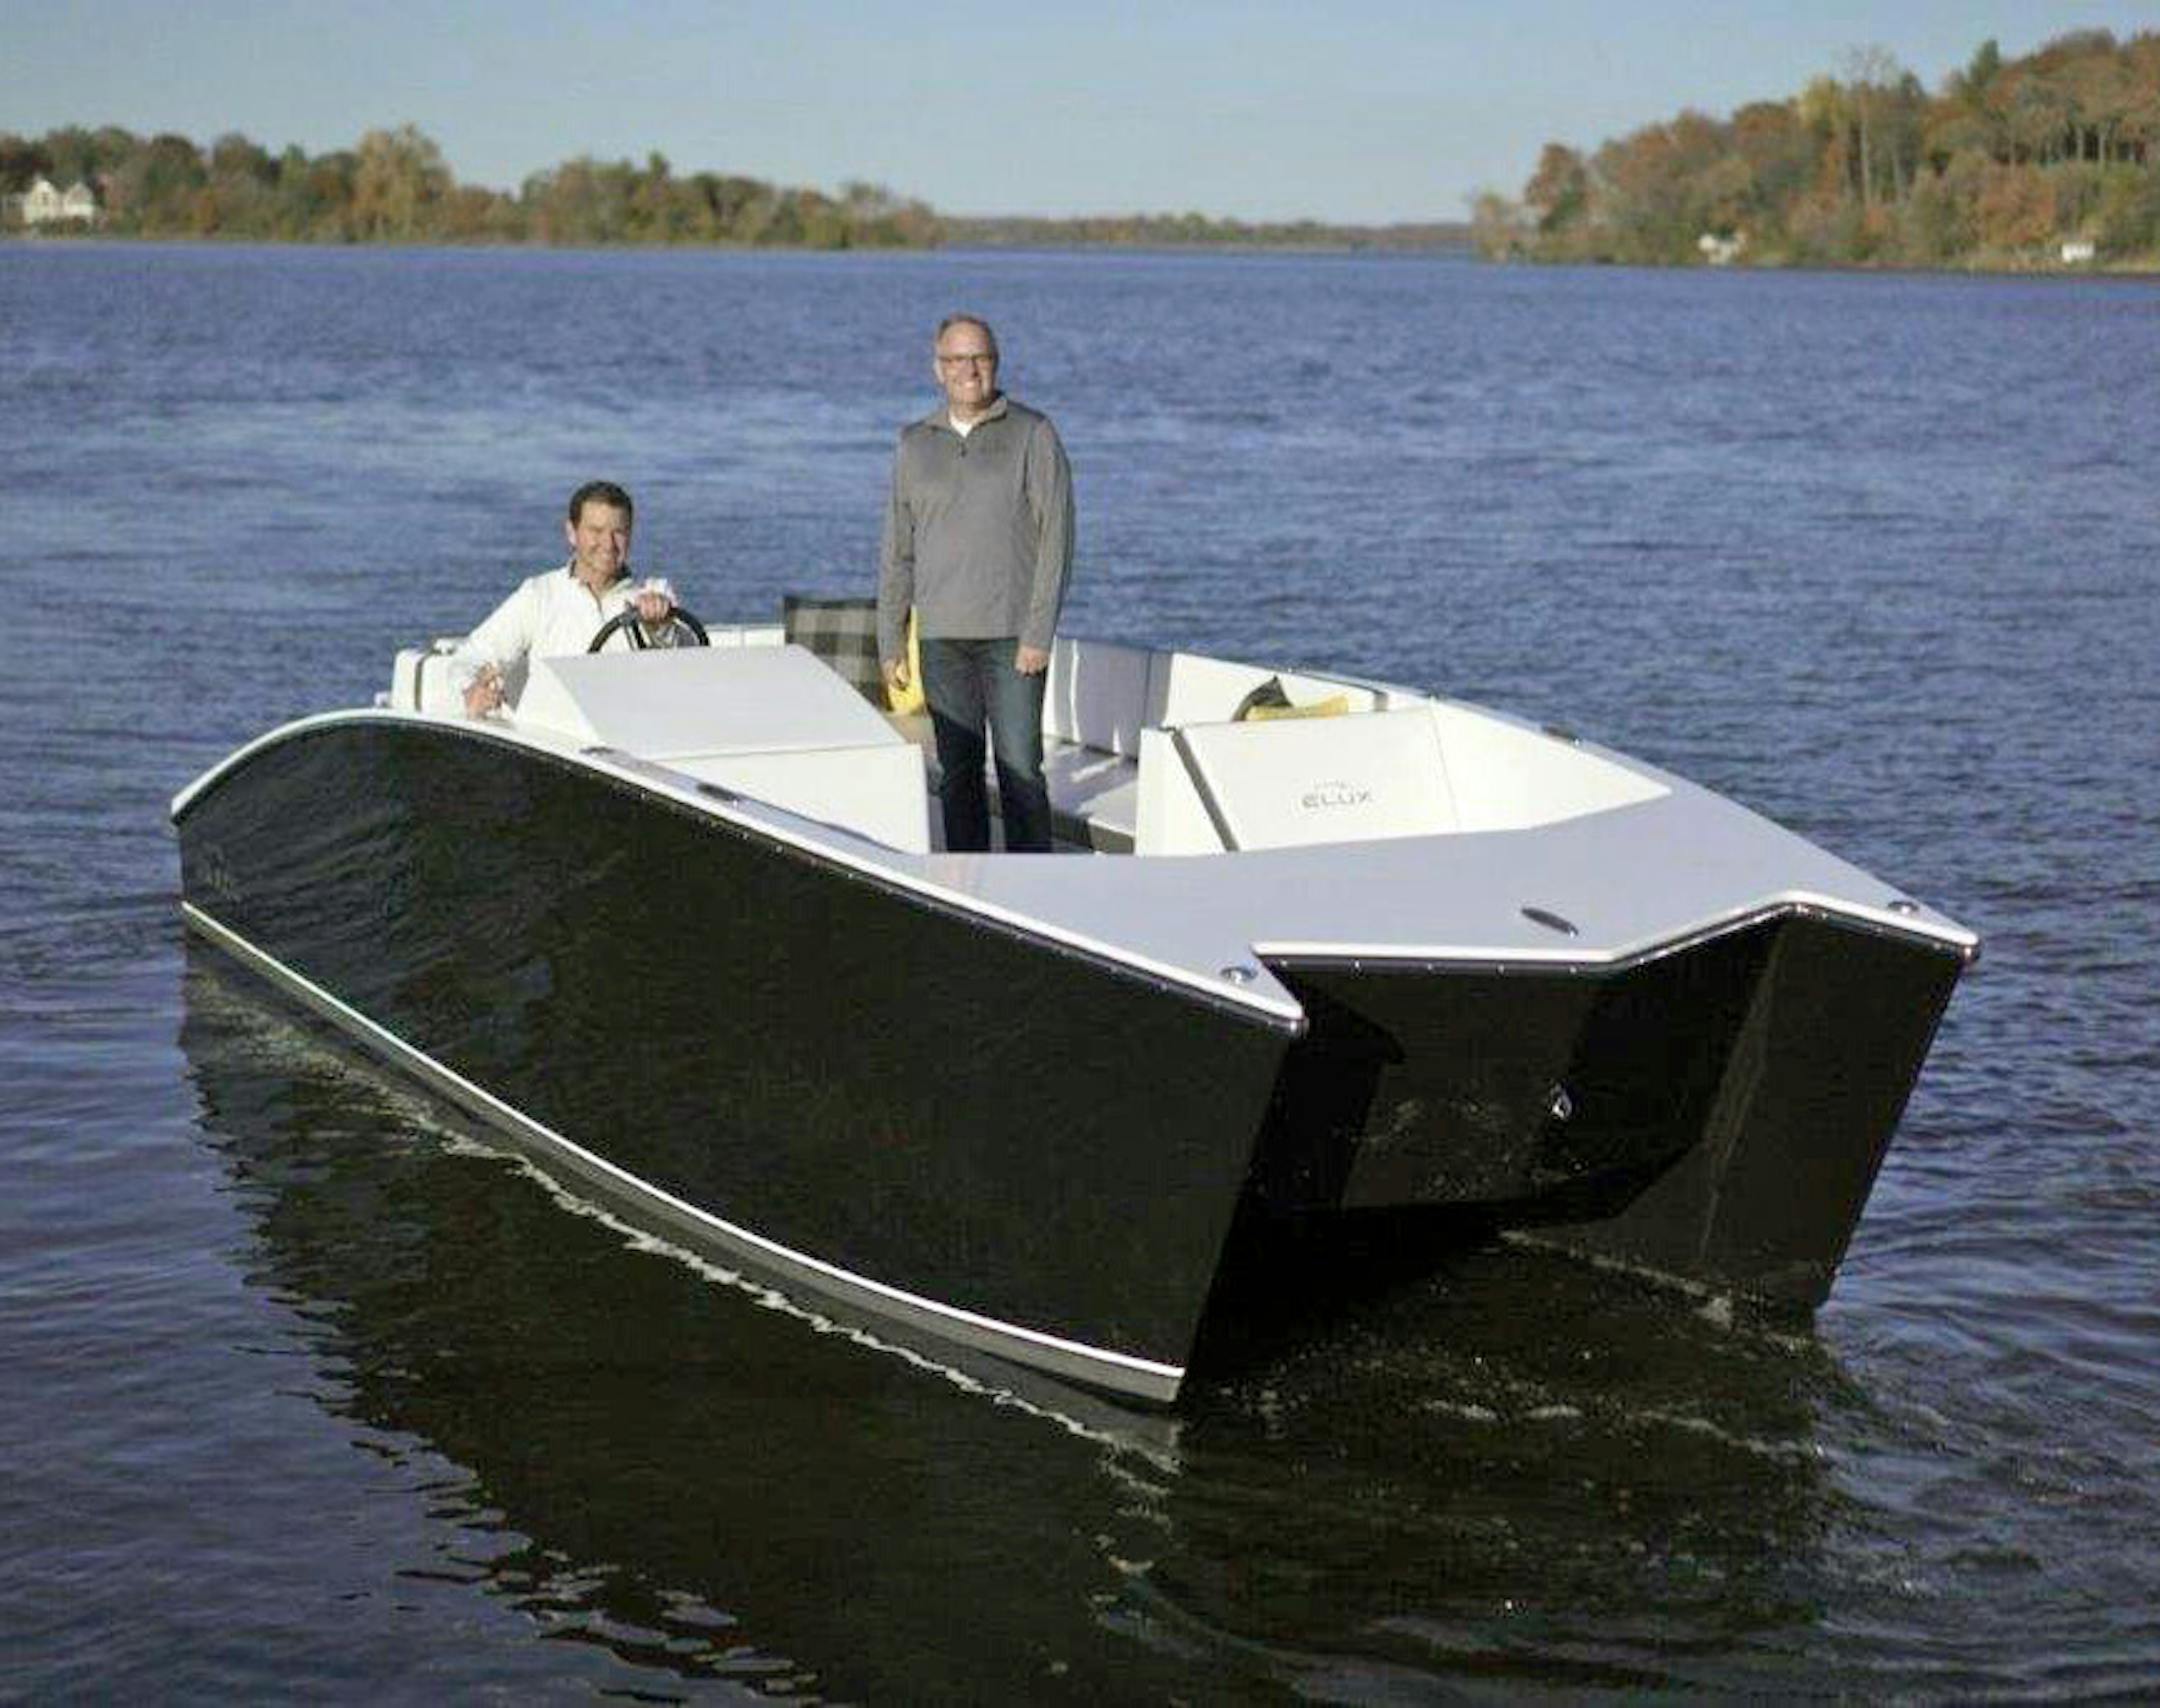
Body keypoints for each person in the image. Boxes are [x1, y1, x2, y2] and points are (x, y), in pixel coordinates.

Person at [877, 314, 1074, 852]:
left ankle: (1036, 886)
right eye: (957, 359)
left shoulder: (1033, 433)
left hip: (1013, 641)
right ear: (937, 369)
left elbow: (1057, 540)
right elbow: (897, 550)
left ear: (996, 363)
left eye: (980, 357)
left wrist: (1038, 633)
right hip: (941, 639)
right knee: (957, 774)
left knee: (1020, 771)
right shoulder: (913, 443)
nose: (969, 369)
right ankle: (968, 885)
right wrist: (891, 640)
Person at [450, 481, 684, 717]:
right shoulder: (540, 595)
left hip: (636, 734)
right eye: (596, 531)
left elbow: (689, 668)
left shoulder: (655, 595)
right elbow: (471, 656)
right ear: (572, 533)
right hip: (556, 740)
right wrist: (472, 691)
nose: (608, 544)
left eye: (619, 532)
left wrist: (660, 627)